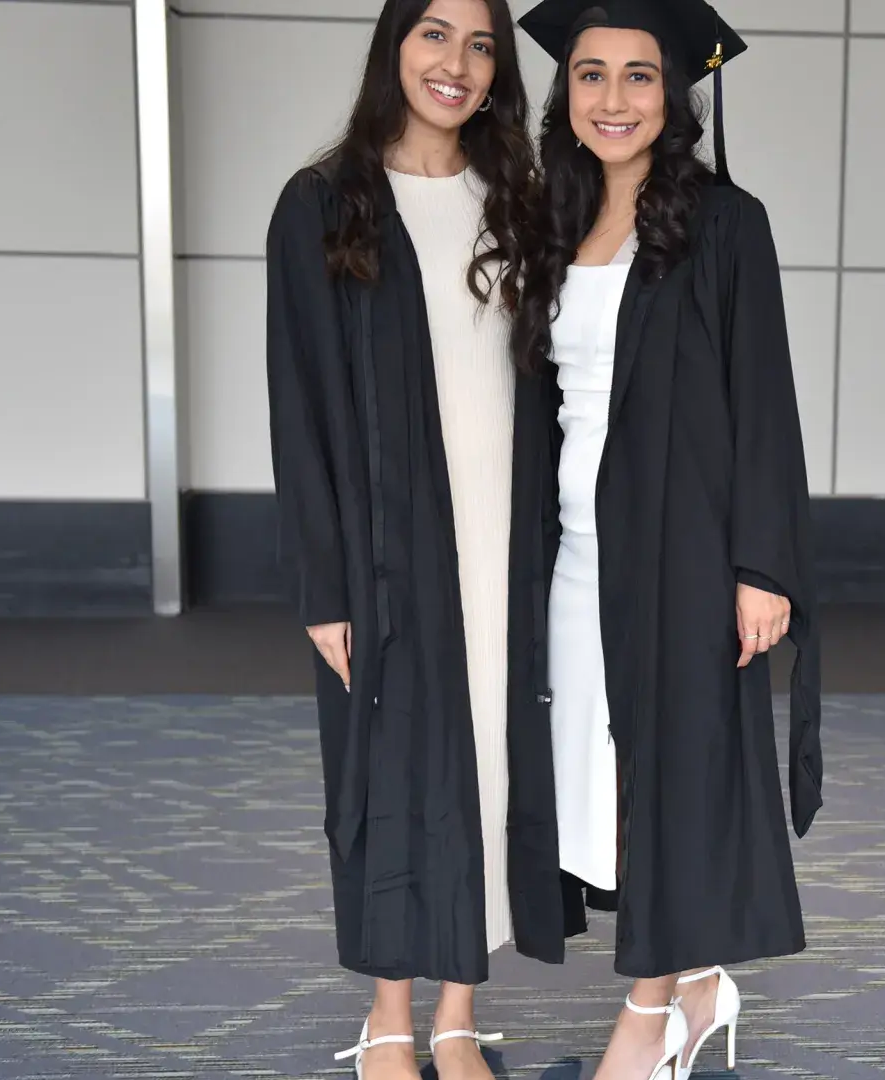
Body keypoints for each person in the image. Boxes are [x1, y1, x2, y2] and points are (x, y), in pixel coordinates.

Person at [504, 2, 824, 1078]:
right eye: (590, 75)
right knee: (601, 769)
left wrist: (762, 565)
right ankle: (697, 985)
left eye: (639, 76)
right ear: (567, 94)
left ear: (676, 93)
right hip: (575, 547)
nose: (612, 98)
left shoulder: (727, 223)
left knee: (666, 774)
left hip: (683, 549)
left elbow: (764, 403)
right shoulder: (553, 215)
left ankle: (647, 1017)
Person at [261, 1, 538, 1077]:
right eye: (434, 36)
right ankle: (388, 1011)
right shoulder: (324, 204)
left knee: (491, 759)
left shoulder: (519, 196)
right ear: (393, 47)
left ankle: (460, 1009)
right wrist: (322, 583)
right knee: (380, 766)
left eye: (480, 46)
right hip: (382, 541)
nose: (456, 65)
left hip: (504, 530)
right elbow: (301, 406)